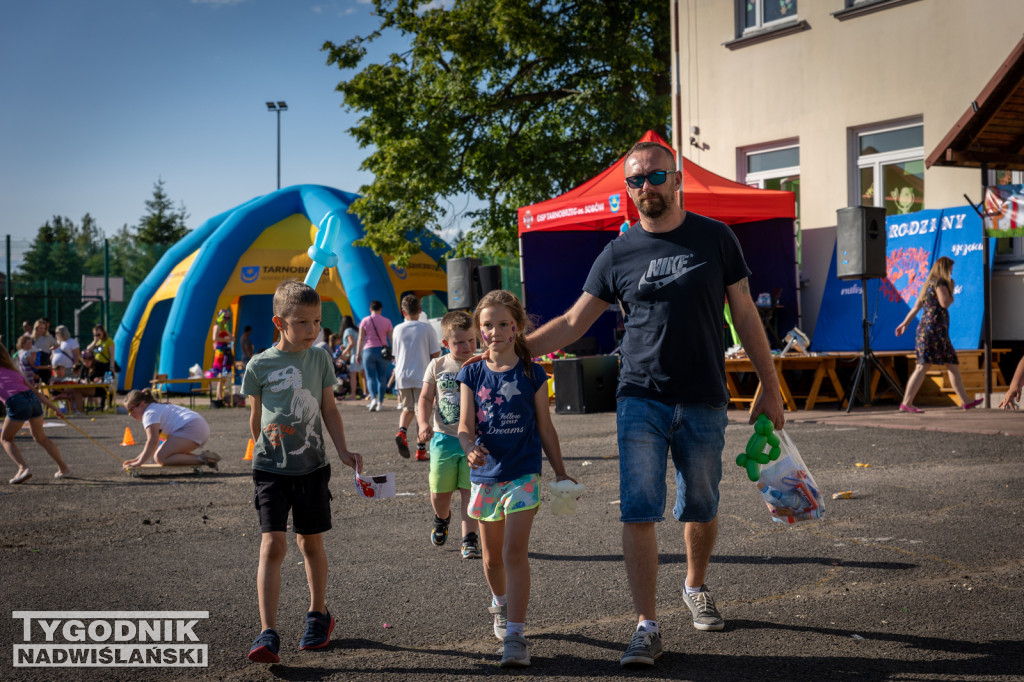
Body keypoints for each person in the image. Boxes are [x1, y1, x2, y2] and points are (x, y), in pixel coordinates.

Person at [523, 140, 784, 667]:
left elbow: (745, 316)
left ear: (677, 178)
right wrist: (512, 349)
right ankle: (646, 625)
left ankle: (695, 585)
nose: (646, 187)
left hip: (706, 396)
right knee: (640, 510)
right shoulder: (618, 252)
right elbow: (575, 323)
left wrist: (770, 383)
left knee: (701, 504)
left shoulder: (716, 237)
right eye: (636, 181)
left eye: (655, 177)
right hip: (640, 396)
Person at [241, 280, 362, 664]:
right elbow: (256, 416)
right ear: (280, 322)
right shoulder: (259, 365)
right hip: (270, 469)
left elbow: (329, 408)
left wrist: (343, 450)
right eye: (303, 323)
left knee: (310, 543)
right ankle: (268, 632)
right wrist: (262, 449)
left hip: (312, 467)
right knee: (272, 544)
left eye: (317, 322)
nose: (313, 331)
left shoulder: (320, 359)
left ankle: (318, 615)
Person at [457, 289, 574, 668]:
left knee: (513, 553)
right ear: (479, 329)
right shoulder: (471, 373)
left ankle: (516, 636)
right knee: (491, 560)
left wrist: (560, 471)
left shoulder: (532, 373)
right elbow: (463, 426)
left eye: (503, 324)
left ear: (517, 328)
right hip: (485, 476)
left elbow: (545, 426)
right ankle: (501, 604)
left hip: (524, 474)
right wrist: (469, 446)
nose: (494, 331)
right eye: (487, 324)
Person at [418, 310, 481, 558]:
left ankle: (469, 539)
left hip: (474, 441)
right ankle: (442, 518)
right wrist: (423, 423)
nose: (466, 347)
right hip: (443, 439)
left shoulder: (481, 363)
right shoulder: (438, 365)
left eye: (471, 341)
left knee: (470, 491)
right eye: (459, 342)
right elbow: (424, 397)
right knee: (439, 493)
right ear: (446, 344)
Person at [895, 256, 983, 413]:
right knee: (923, 366)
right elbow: (945, 303)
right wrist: (951, 289)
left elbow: (916, 307)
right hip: (933, 331)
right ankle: (906, 403)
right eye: (950, 268)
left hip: (934, 332)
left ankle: (965, 401)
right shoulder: (940, 283)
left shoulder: (929, 283)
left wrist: (904, 324)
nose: (952, 271)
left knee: (952, 365)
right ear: (945, 268)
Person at [0, 341, 72, 483]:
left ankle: (23, 468)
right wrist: (55, 409)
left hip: (17, 402)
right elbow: (36, 393)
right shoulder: (14, 371)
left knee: (6, 438)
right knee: (41, 437)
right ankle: (64, 468)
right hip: (33, 401)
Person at [121, 390, 220, 470]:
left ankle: (204, 459)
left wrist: (139, 462)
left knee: (161, 457)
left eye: (131, 409)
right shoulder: (154, 408)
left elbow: (152, 441)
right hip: (198, 426)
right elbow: (154, 443)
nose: (130, 414)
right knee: (167, 454)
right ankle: (206, 459)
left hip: (191, 427)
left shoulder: (149, 413)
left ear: (142, 404)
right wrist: (137, 459)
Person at [392, 295, 440, 460]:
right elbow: (435, 352)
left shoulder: (397, 329)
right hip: (422, 374)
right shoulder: (426, 328)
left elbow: (396, 355)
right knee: (422, 412)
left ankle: (401, 431)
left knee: (407, 409)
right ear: (420, 310)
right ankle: (421, 450)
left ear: (403, 311)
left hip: (402, 375)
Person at [357, 300, 393, 412]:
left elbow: (361, 338)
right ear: (380, 309)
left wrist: (358, 353)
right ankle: (380, 403)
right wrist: (394, 353)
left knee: (370, 377)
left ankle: (373, 399)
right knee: (382, 378)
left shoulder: (364, 321)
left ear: (370, 309)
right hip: (383, 351)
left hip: (368, 351)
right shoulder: (387, 321)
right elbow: (391, 339)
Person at [209, 309, 234, 407]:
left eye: (227, 319)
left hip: (225, 352)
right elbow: (214, 338)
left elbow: (231, 337)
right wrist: (225, 339)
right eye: (225, 318)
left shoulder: (224, 327)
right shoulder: (217, 326)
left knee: (223, 376)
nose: (226, 320)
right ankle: (218, 398)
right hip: (220, 353)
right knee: (221, 376)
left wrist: (229, 338)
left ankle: (220, 397)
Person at [340, 315, 364, 399]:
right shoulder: (356, 329)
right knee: (364, 374)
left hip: (354, 354)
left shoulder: (347, 330)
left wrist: (345, 350)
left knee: (352, 374)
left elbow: (351, 343)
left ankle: (353, 394)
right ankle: (366, 393)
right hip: (363, 353)